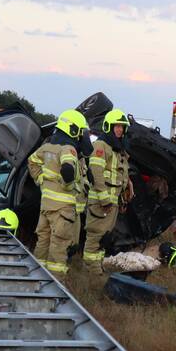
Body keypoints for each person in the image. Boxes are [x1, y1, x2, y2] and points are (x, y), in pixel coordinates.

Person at [28, 109, 88, 278]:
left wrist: (40, 179)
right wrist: (67, 184)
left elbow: (32, 161)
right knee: (58, 247)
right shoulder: (69, 149)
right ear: (73, 129)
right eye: (80, 131)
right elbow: (68, 169)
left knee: (43, 242)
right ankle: (55, 286)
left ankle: (36, 278)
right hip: (63, 209)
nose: (81, 136)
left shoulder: (46, 147)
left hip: (46, 205)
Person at [82, 109, 133, 276]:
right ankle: (91, 269)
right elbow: (96, 172)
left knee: (105, 236)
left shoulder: (119, 150)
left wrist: (123, 199)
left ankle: (97, 265)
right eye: (116, 126)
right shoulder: (100, 145)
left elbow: (121, 176)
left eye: (122, 127)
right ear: (108, 127)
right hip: (100, 202)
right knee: (95, 234)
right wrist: (104, 199)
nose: (119, 130)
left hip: (112, 203)